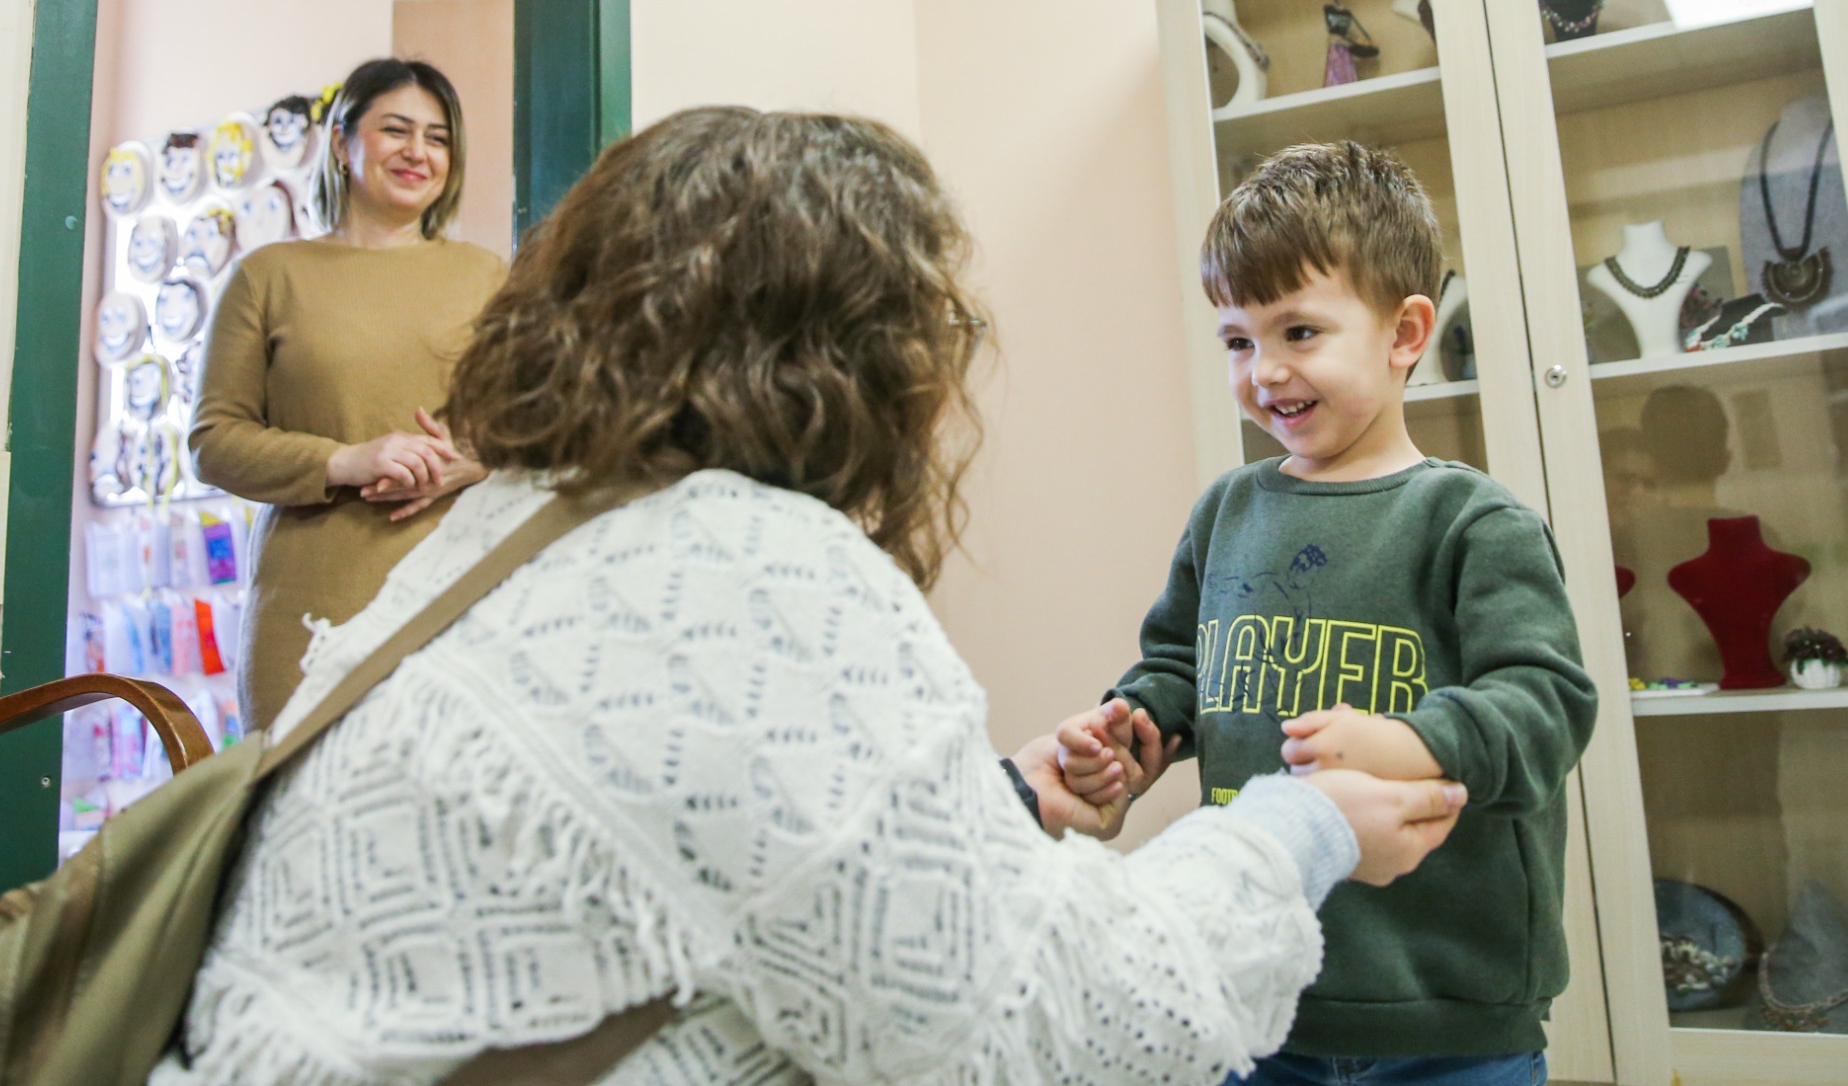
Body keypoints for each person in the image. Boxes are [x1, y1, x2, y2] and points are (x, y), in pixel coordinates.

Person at [153, 108, 1470, 1086]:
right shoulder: (750, 564)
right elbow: (1069, 1020)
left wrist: (996, 800)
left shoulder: (508, 528)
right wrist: (1302, 825)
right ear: (860, 358)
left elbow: (725, 847)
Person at [1053, 141, 1599, 1086]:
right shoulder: (1227, 510)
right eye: (1237, 340)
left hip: (1446, 1013)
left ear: (1404, 333)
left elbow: (1548, 706)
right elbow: (1178, 664)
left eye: (1299, 332)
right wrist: (1135, 726)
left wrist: (1415, 742)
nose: (1264, 370)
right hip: (1257, 988)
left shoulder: (1474, 522)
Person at [191, 57, 507, 729]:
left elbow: (543, 431)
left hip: (457, 596)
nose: (419, 152)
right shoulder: (270, 275)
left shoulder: (487, 277)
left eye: (439, 137)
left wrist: (472, 462)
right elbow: (214, 443)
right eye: (396, 130)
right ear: (342, 142)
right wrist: (345, 461)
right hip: (312, 602)